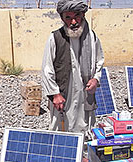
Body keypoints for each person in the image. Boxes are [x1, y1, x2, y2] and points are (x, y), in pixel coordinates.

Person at [41, 0, 104, 135]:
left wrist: (95, 79)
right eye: (68, 17)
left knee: (85, 127)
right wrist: (55, 94)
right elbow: (47, 70)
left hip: (84, 93)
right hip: (63, 93)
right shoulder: (55, 38)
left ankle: (84, 154)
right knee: (61, 128)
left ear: (83, 16)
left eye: (76, 16)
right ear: (63, 19)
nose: (73, 22)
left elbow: (99, 62)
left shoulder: (92, 38)